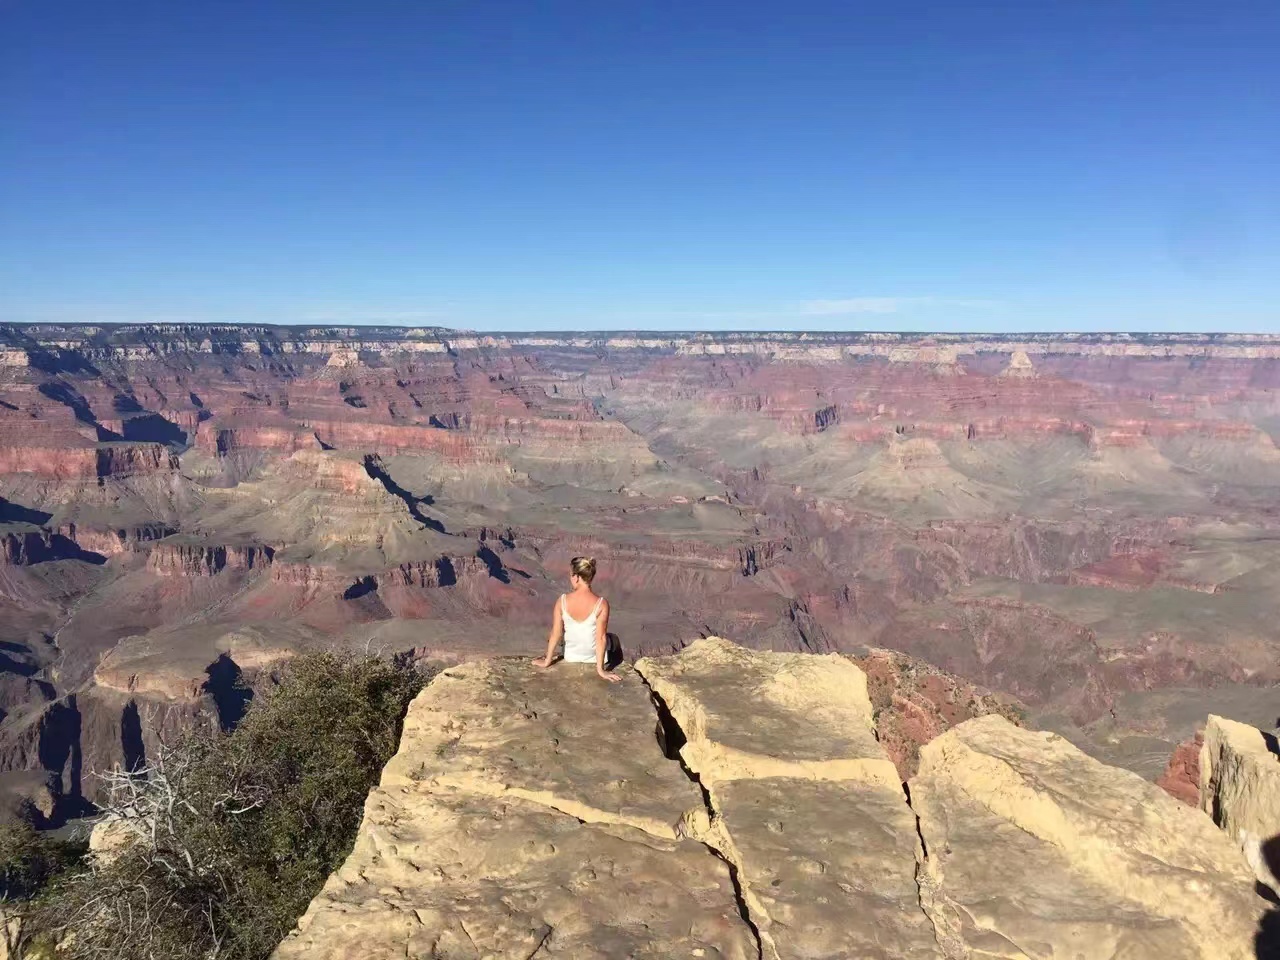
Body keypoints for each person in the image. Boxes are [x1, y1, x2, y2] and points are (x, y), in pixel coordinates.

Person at [532, 556, 620, 683]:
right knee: (613, 638)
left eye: (571, 575)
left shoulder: (562, 601)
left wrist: (547, 661)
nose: (570, 579)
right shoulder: (601, 603)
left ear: (577, 577)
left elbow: (556, 633)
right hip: (593, 657)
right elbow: (601, 638)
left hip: (571, 655)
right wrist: (601, 670)